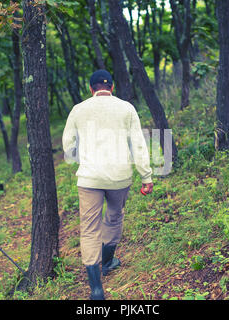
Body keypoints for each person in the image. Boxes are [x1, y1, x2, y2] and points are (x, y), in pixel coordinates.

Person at [62, 69, 153, 300]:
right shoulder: (126, 108)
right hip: (119, 177)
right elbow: (139, 145)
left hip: (90, 178)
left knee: (89, 229)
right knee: (114, 217)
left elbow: (68, 145)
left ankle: (96, 288)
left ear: (91, 89)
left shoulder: (78, 110)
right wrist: (146, 176)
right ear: (112, 87)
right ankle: (108, 260)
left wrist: (80, 159)